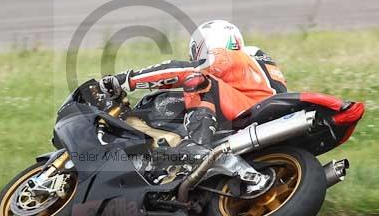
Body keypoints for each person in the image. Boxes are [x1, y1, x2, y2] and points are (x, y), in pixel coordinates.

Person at [100, 20, 288, 165]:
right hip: (252, 115)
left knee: (195, 79)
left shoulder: (226, 55)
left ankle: (196, 145)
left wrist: (127, 80)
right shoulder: (253, 63)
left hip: (250, 111)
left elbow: (183, 71)